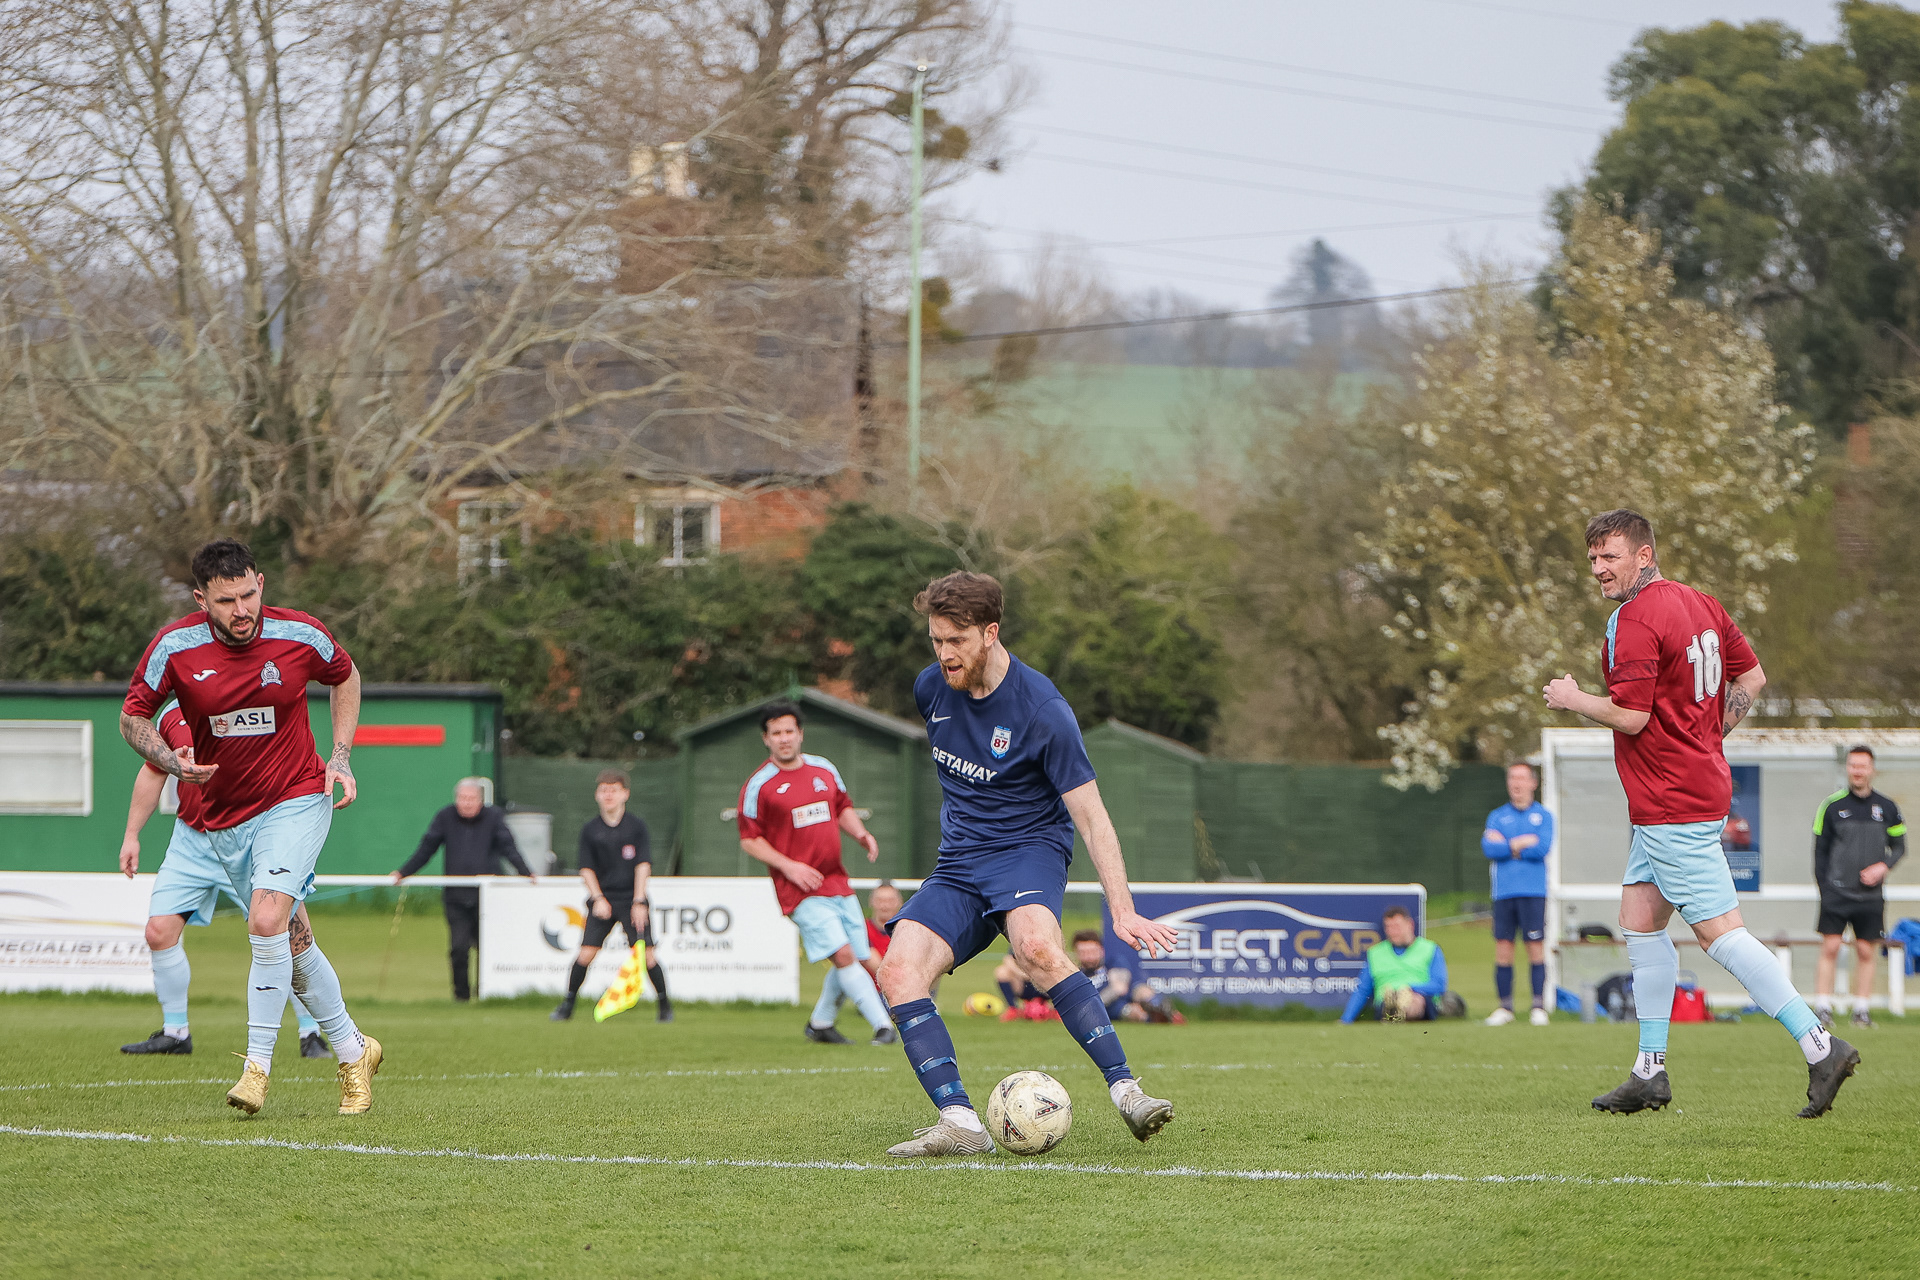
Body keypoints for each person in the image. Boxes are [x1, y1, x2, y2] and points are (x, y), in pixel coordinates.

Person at [1543, 509, 1857, 1118]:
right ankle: (1649, 1071)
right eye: (1593, 559)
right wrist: (1707, 738)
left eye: (1610, 556)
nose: (1599, 569)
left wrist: (1573, 698)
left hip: (1670, 800)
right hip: (1684, 789)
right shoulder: (1701, 603)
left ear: (1644, 555)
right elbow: (1753, 678)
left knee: (1720, 935)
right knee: (1639, 921)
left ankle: (1821, 1045)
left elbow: (1631, 716)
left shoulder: (1634, 618)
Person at [875, 571, 1180, 1157]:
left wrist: (1123, 911)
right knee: (897, 972)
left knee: (1037, 949)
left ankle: (1127, 1092)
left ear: (990, 633)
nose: (943, 654)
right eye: (935, 640)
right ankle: (961, 1124)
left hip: (1027, 851)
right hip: (959, 861)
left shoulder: (1044, 711)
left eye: (956, 641)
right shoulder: (931, 688)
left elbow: (1092, 817)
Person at [120, 537, 379, 1117]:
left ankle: (256, 1070)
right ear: (201, 600)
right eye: (226, 600)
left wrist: (340, 756)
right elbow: (133, 716)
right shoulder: (174, 647)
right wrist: (168, 760)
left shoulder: (299, 633)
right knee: (293, 943)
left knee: (264, 922)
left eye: (248, 594)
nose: (241, 610)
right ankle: (353, 1051)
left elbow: (345, 675)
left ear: (260, 583)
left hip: (297, 797)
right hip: (224, 819)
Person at [116, 703, 328, 1059]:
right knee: (158, 932)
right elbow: (153, 771)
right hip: (192, 838)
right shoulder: (171, 715)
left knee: (286, 936)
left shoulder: (253, 703)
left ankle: (312, 1033)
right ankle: (175, 1033)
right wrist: (131, 835)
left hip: (250, 837)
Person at [736, 701, 894, 1046]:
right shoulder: (759, 785)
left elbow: (842, 807)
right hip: (799, 889)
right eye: (776, 733)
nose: (784, 738)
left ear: (800, 734)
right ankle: (884, 1027)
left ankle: (820, 1024)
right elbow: (749, 840)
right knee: (844, 955)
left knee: (856, 954)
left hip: (836, 879)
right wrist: (789, 866)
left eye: (789, 731)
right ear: (766, 739)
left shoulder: (823, 769)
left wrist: (861, 834)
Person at [391, 778, 535, 1001]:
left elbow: (509, 848)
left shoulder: (494, 817)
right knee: (458, 948)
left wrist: (526, 873)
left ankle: (488, 994)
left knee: (488, 949)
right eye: (463, 798)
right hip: (456, 898)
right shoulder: (445, 817)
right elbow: (427, 848)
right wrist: (403, 872)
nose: (467, 803)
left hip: (488, 898)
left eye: (471, 799)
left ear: (481, 800)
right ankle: (461, 997)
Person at [551, 770, 671, 1023]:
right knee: (586, 954)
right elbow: (586, 869)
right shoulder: (590, 830)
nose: (608, 795)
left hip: (631, 899)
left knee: (647, 955)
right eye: (604, 790)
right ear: (597, 795)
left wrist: (639, 901)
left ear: (625, 794)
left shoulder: (636, 827)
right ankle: (567, 1006)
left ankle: (665, 1007)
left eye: (614, 790)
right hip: (603, 900)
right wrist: (597, 899)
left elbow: (643, 865)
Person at [1812, 746, 1907, 1030]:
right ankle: (1823, 1008)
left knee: (1866, 952)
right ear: (1847, 768)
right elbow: (1819, 853)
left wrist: (1883, 867)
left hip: (1870, 896)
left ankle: (1861, 1011)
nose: (1858, 771)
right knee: (1830, 947)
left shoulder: (1888, 807)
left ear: (1872, 770)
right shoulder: (1831, 806)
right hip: (1836, 894)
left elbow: (1900, 847)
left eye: (1863, 766)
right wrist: (1825, 890)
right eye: (1853, 765)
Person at [1481, 761, 1554, 1026]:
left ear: (1533, 783)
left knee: (1535, 948)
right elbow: (1490, 849)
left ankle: (1538, 1007)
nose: (1516, 783)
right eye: (1512, 778)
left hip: (1533, 892)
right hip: (1504, 893)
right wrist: (1521, 842)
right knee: (1503, 949)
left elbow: (1542, 848)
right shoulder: (1497, 816)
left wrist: (1507, 846)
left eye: (1522, 778)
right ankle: (1505, 1008)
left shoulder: (1543, 816)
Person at [1341, 906, 1450, 1023]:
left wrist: (1410, 988)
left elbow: (1439, 985)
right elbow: (1363, 990)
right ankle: (1394, 1008)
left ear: (1410, 924)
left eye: (1397, 926)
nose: (1392, 932)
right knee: (1390, 999)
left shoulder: (1430, 949)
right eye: (1388, 927)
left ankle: (1400, 1010)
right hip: (1385, 999)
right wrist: (1346, 1019)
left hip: (1419, 997)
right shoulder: (1375, 953)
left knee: (1414, 1000)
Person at [1071, 928, 1178, 1023]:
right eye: (1083, 952)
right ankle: (1153, 1019)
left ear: (1101, 951)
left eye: (1092, 951)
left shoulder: (1112, 963)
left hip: (1125, 997)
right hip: (1110, 1008)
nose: (1089, 957)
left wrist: (1092, 1005)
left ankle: (1162, 1010)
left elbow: (1119, 988)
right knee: (1129, 1011)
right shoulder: (1077, 976)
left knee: (1142, 990)